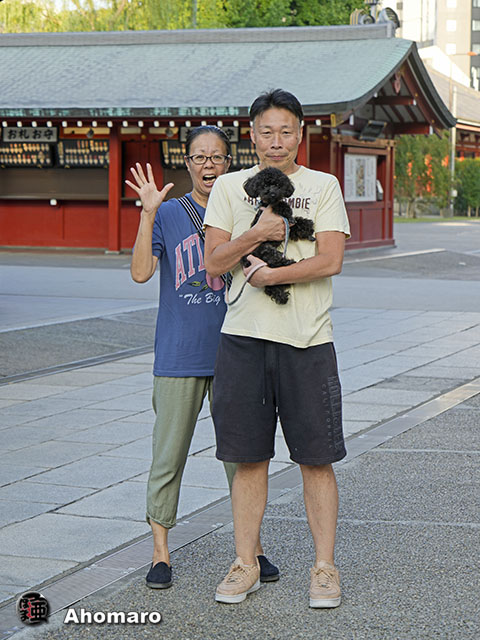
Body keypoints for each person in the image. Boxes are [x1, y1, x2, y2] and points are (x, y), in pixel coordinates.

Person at [204, 90, 350, 606]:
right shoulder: (229, 186)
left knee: (317, 459)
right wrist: (258, 234)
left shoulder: (323, 185)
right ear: (252, 135)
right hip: (243, 341)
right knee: (248, 458)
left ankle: (324, 568)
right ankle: (245, 563)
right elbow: (213, 262)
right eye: (266, 132)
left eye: (286, 131)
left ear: (300, 134)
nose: (276, 141)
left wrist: (273, 276)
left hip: (308, 341)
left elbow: (331, 259)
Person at [127, 125, 278, 590]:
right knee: (168, 455)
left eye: (217, 157)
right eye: (199, 157)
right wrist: (148, 215)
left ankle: (251, 549)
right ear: (188, 163)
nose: (208, 164)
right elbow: (140, 273)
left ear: (229, 162)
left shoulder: (244, 210)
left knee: (242, 457)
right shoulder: (170, 213)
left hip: (235, 350)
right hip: (178, 355)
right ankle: (160, 552)